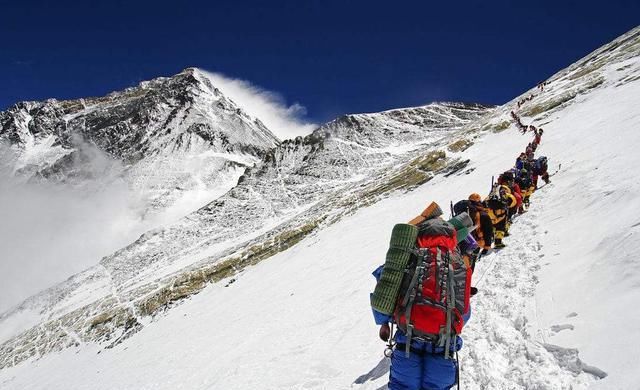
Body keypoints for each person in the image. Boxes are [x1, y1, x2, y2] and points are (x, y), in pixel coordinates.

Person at [372, 203, 475, 390]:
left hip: (408, 341)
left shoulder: (410, 257)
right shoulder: (459, 264)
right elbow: (464, 311)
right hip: (442, 346)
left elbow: (386, 288)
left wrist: (384, 322)